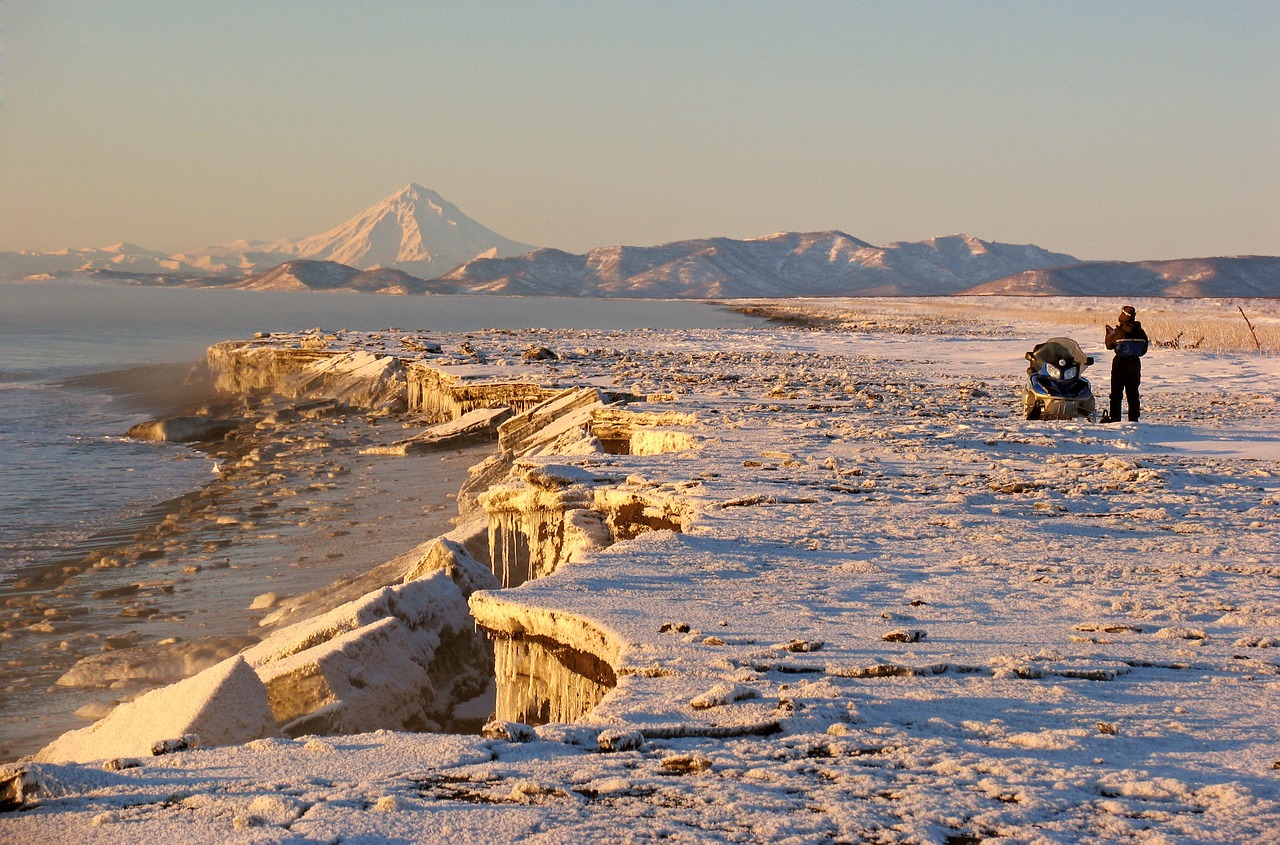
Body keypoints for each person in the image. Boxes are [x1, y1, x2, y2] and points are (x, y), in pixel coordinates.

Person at [1103, 305, 1149, 422]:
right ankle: (1133, 418)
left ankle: (1115, 418)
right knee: (1133, 393)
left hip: (1120, 363)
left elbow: (1109, 345)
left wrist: (1108, 334)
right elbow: (1144, 349)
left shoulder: (1118, 332)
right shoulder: (1140, 332)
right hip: (1134, 364)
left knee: (1116, 393)